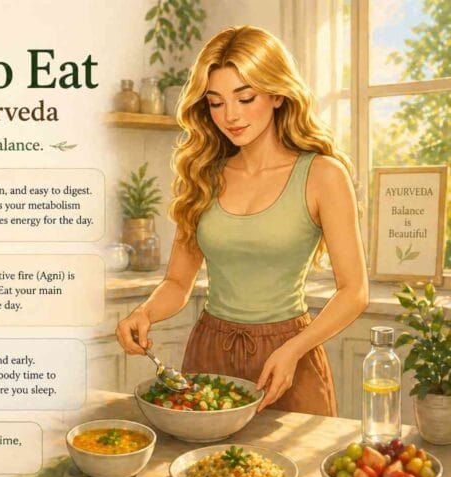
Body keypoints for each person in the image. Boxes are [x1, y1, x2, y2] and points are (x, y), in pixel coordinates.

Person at [115, 25, 369, 416]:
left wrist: (293, 350)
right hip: (209, 351)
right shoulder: (202, 175)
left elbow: (354, 291)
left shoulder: (323, 175)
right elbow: (178, 282)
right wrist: (143, 313)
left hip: (288, 355)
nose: (229, 115)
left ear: (277, 94)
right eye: (216, 102)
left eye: (245, 97)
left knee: (293, 474)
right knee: (203, 473)